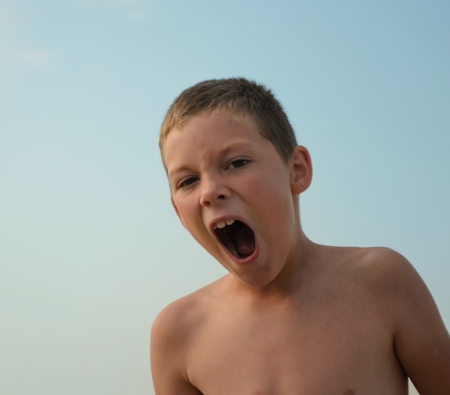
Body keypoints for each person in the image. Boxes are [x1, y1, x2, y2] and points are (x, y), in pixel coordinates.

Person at [150, 77, 450, 395]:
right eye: (187, 181)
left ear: (297, 169)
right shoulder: (178, 335)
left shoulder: (381, 283)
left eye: (236, 163)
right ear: (178, 212)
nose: (209, 192)